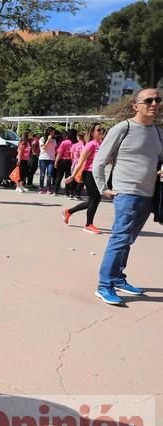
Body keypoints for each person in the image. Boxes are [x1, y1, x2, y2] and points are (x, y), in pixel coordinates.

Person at [92, 89, 163, 306]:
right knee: (120, 238)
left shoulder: (159, 132)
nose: (154, 103)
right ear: (136, 106)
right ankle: (104, 286)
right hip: (127, 193)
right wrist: (103, 187)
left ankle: (117, 278)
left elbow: (159, 159)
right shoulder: (124, 128)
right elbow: (100, 161)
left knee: (128, 239)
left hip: (148, 194)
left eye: (158, 100)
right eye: (148, 100)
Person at [62, 122, 106, 234]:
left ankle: (69, 211)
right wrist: (72, 176)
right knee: (95, 198)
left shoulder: (100, 143)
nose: (102, 131)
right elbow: (81, 162)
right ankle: (88, 224)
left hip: (98, 174)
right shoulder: (90, 144)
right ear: (92, 132)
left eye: (102, 129)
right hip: (89, 173)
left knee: (93, 200)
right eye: (99, 130)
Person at [54, 129, 77, 197]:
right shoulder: (75, 143)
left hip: (62, 161)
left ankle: (56, 191)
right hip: (70, 161)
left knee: (59, 176)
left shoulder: (64, 142)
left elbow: (60, 153)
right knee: (68, 176)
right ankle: (66, 192)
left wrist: (56, 161)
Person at [38, 127, 57, 194]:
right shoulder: (42, 139)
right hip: (43, 158)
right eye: (52, 132)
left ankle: (48, 188)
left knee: (49, 174)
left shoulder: (54, 140)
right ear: (49, 132)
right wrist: (48, 140)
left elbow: (54, 149)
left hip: (51, 159)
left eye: (54, 132)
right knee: (42, 174)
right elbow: (43, 148)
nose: (53, 133)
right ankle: (41, 188)